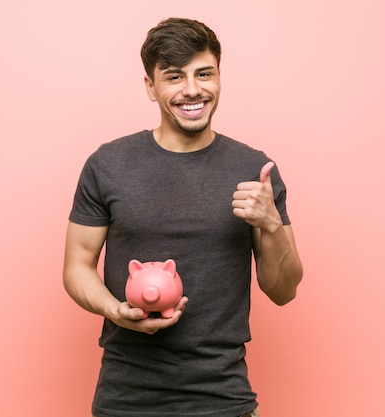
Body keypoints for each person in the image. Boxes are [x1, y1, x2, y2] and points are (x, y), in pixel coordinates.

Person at [63, 17, 303, 417]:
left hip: (223, 400)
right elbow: (77, 267)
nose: (193, 90)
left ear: (219, 77)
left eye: (204, 74)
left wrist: (271, 224)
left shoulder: (255, 171)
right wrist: (114, 310)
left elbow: (284, 291)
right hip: (125, 397)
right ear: (150, 87)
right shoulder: (108, 164)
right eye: (174, 77)